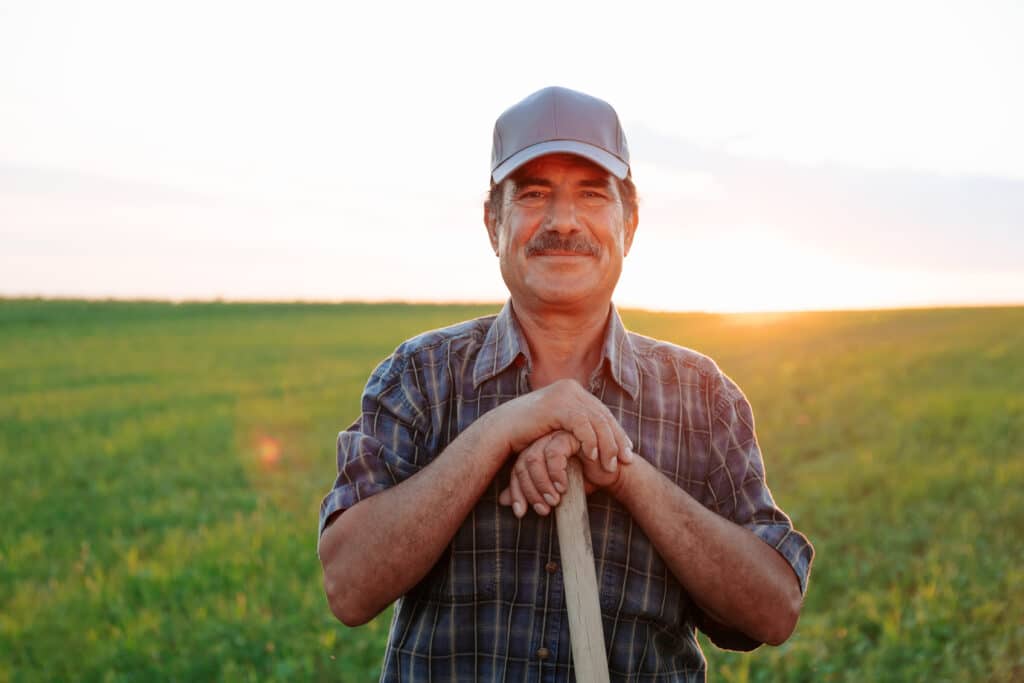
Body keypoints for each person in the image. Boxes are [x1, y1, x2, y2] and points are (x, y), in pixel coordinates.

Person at [317, 86, 814, 682]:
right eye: (532, 194)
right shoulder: (419, 375)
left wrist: (623, 469)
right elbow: (349, 586)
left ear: (628, 223)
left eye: (590, 194)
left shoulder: (701, 396)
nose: (562, 221)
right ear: (492, 222)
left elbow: (773, 610)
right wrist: (500, 431)